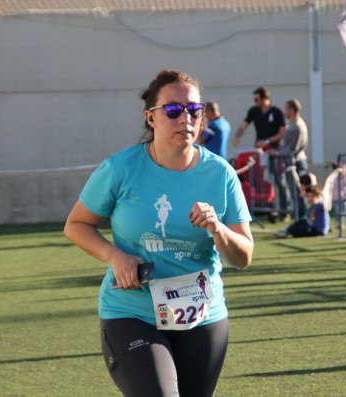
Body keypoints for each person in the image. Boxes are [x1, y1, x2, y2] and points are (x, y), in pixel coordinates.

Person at [63, 70, 254, 397]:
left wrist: (217, 228)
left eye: (195, 110)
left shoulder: (220, 173)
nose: (187, 119)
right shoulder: (120, 169)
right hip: (132, 313)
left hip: (202, 319)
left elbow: (243, 256)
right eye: (173, 110)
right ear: (150, 118)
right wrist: (115, 255)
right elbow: (77, 225)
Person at [231, 86, 288, 221]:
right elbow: (244, 125)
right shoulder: (254, 111)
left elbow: (282, 132)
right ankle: (267, 207)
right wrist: (237, 136)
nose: (255, 101)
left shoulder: (276, 112)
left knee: (279, 181)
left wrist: (268, 141)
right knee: (261, 180)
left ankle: (285, 210)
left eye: (257, 99)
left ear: (265, 98)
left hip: (274, 151)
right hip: (260, 153)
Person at [275, 99, 309, 218]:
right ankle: (300, 216)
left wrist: (275, 153)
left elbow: (293, 148)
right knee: (297, 191)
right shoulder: (294, 123)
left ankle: (302, 217)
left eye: (286, 109)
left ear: (292, 110)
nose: (285, 111)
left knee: (298, 191)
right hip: (294, 162)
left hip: (296, 163)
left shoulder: (297, 125)